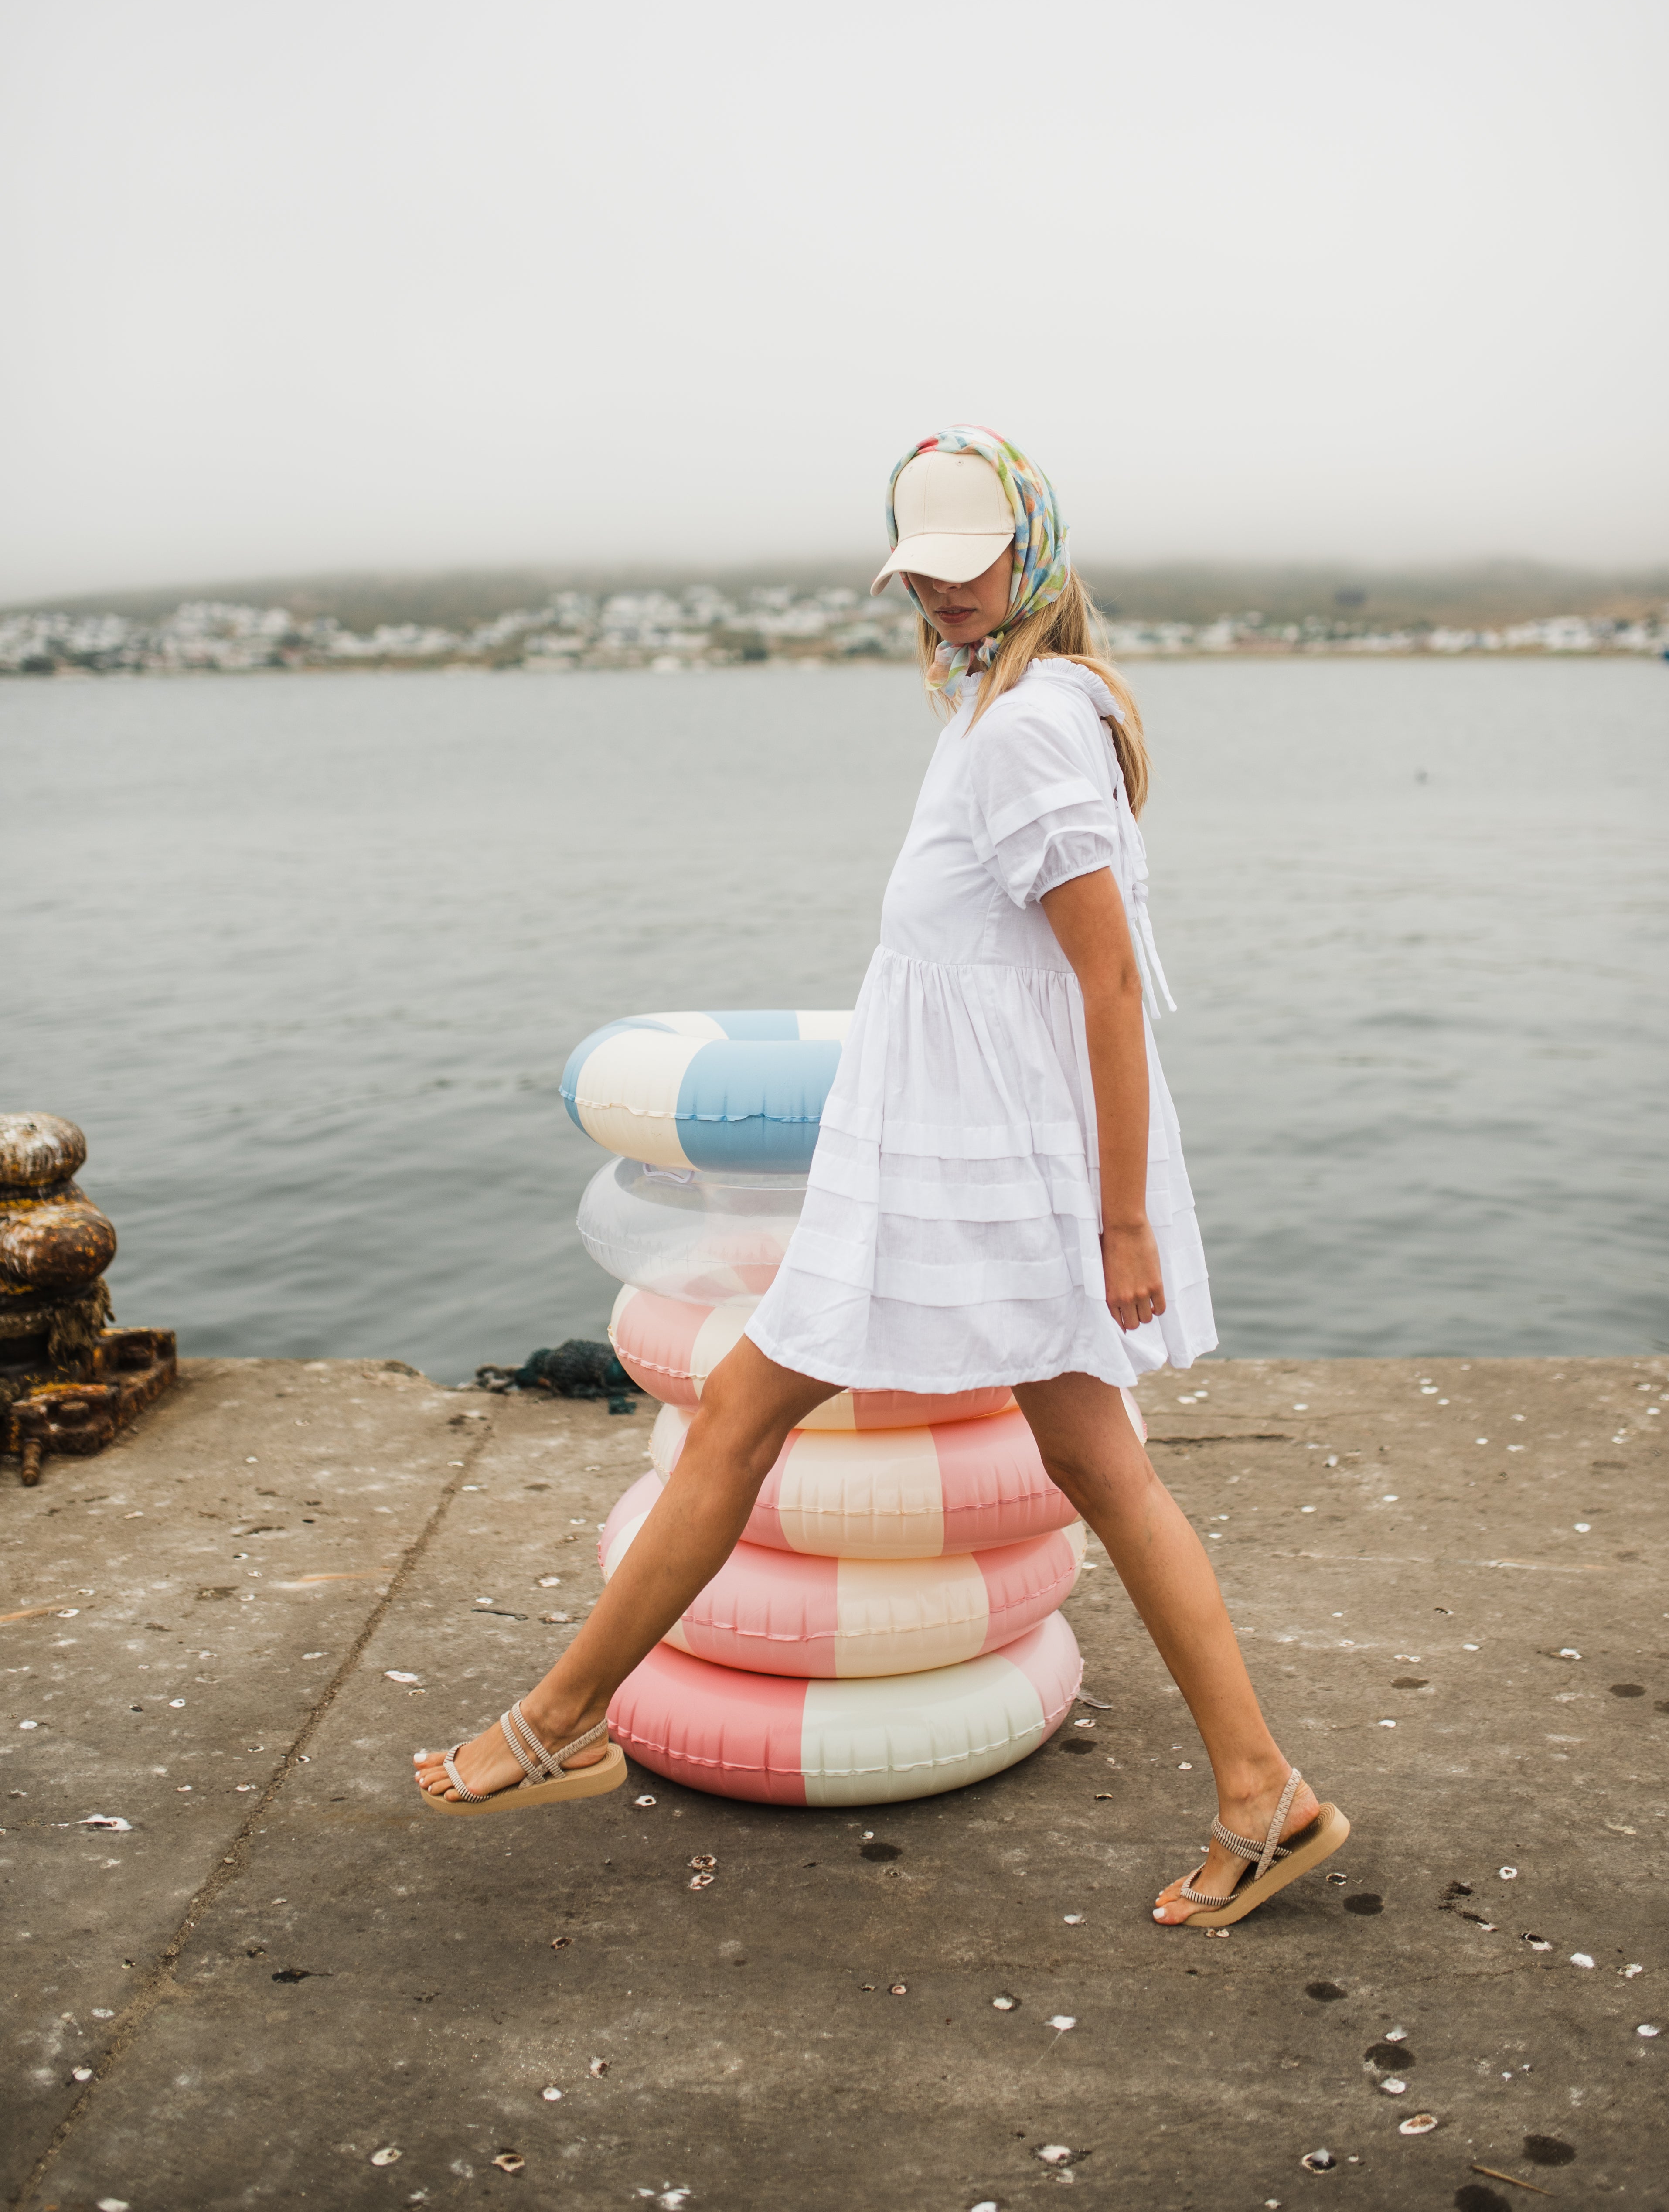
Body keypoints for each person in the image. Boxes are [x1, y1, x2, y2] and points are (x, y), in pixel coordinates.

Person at [416, 426, 1348, 1929]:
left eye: (968, 569)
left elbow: (1109, 989)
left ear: (1030, 551)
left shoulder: (1035, 724)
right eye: (921, 574)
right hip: (948, 1160)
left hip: (987, 1181)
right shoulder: (1005, 703)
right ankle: (1265, 1796)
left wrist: (1119, 1223)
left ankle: (556, 1724)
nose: (943, 597)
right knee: (1077, 1466)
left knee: (761, 1414)